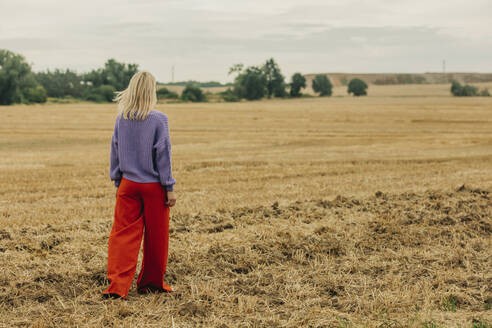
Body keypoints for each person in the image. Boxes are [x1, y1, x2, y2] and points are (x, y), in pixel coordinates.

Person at [102, 71, 176, 300]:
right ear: (151, 91)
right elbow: (163, 154)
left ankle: (117, 287)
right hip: (153, 187)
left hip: (128, 185)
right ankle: (151, 284)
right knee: (157, 237)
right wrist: (169, 187)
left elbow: (115, 150)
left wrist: (117, 180)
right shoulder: (158, 119)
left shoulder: (121, 118)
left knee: (122, 236)